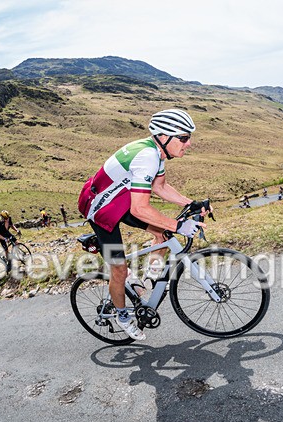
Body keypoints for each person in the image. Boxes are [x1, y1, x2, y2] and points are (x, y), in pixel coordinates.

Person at [78, 108, 209, 341]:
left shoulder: (156, 152)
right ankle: (122, 315)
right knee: (119, 269)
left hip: (121, 201)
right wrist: (178, 225)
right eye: (184, 138)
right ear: (164, 136)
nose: (188, 144)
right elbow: (140, 209)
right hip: (100, 211)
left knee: (164, 233)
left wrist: (192, 203)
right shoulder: (147, 156)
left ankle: (150, 276)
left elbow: (160, 188)